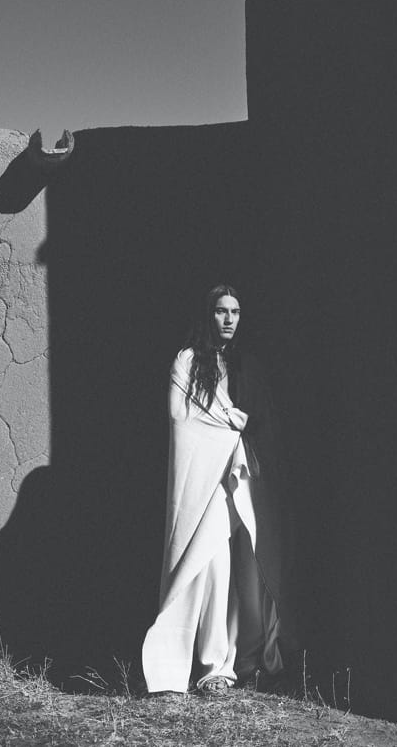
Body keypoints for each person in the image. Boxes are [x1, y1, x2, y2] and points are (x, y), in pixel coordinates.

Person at [141, 283, 289, 696]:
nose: (229, 319)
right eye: (222, 311)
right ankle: (214, 667)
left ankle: (246, 660)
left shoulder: (247, 366)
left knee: (250, 569)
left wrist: (243, 426)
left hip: (243, 479)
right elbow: (183, 419)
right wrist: (234, 425)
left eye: (236, 312)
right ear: (208, 315)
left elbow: (264, 420)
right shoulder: (188, 362)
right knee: (213, 568)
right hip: (208, 484)